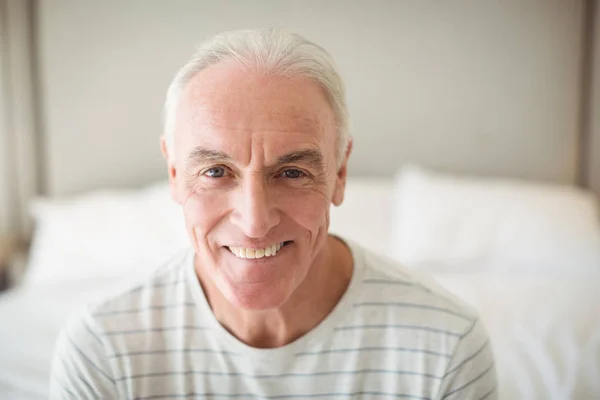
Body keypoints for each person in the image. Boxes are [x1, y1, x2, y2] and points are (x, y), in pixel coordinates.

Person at [49, 28, 497, 399]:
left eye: (292, 172)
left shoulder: (446, 346)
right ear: (173, 172)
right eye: (217, 170)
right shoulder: (103, 351)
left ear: (339, 174)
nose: (255, 221)